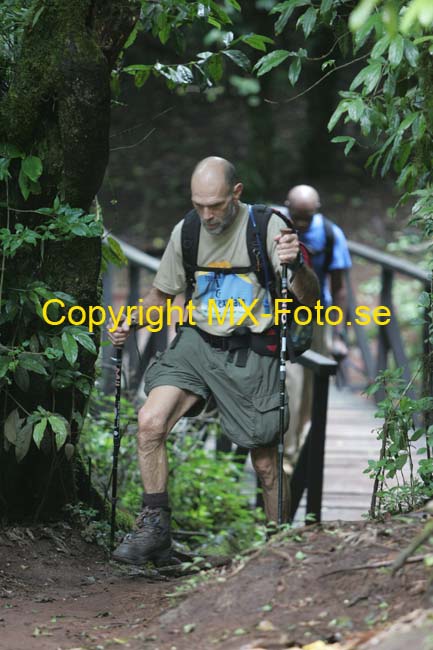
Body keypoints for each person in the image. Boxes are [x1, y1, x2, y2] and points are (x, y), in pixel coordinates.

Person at [107, 157, 319, 565]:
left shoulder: (268, 228)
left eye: (216, 205)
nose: (206, 215)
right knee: (150, 422)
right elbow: (159, 300)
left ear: (236, 194)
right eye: (199, 204)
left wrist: (295, 265)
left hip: (253, 347)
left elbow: (309, 299)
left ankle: (276, 549)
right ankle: (155, 530)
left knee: (265, 459)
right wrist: (131, 321)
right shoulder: (186, 231)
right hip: (198, 343)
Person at [282, 184, 352, 460]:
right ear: (286, 204)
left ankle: (298, 450)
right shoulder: (274, 225)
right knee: (290, 388)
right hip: (281, 315)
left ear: (317, 209)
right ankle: (287, 457)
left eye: (306, 218)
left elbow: (340, 289)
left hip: (316, 320)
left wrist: (338, 335)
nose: (299, 223)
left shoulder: (331, 234)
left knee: (310, 394)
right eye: (295, 216)